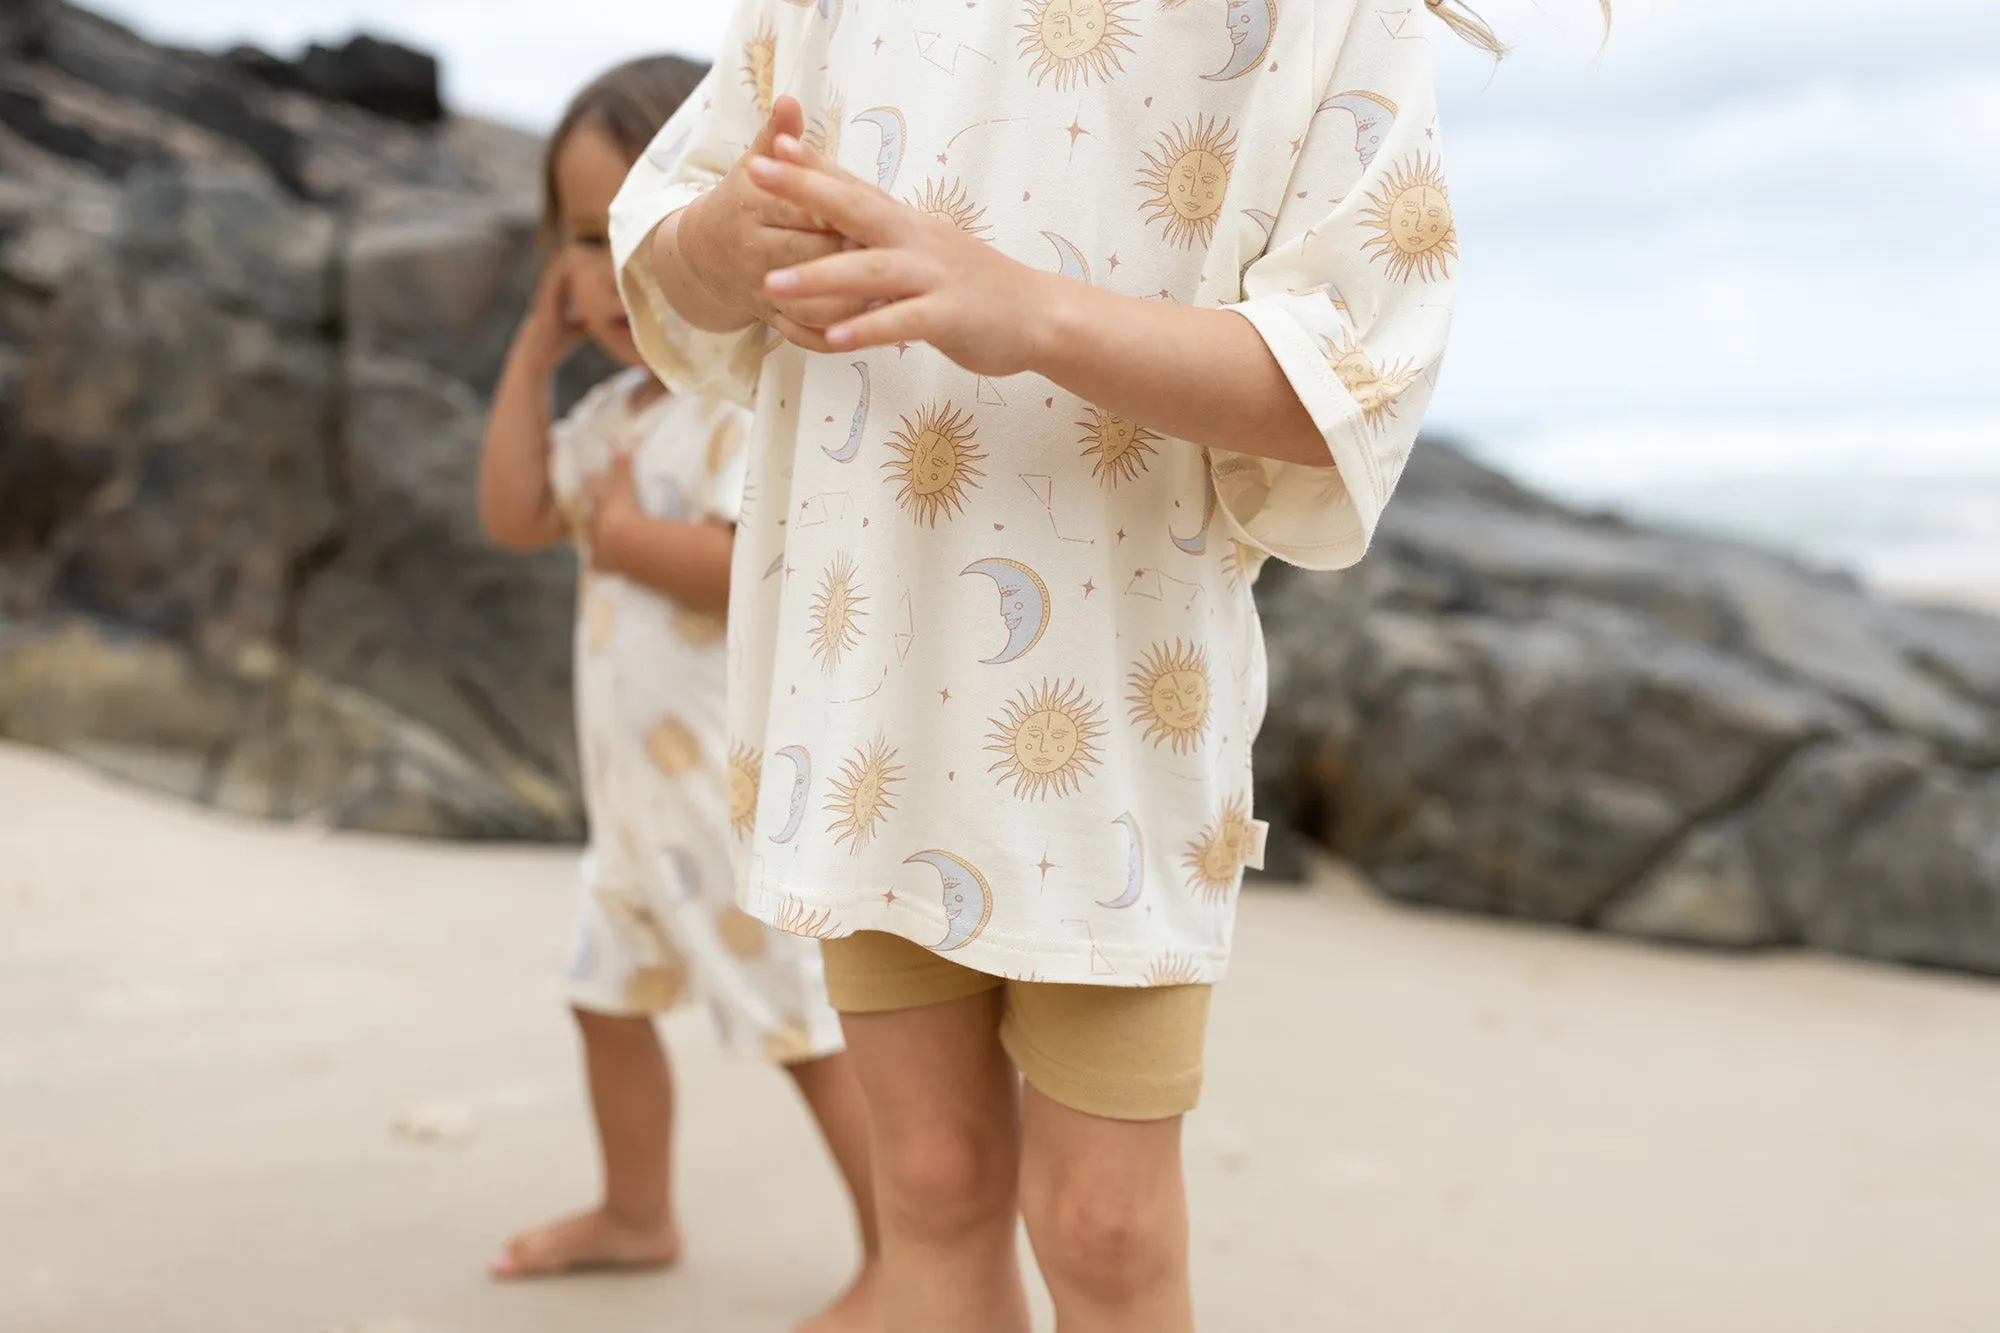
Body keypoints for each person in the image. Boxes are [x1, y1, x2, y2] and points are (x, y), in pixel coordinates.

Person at [609, 2, 1594, 1328]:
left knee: (1107, 1227)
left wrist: (1032, 312)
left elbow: (1348, 374)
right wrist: (723, 243)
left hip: (1115, 707)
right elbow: (675, 255)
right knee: (936, 1180)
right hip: (860, 675)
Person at [476, 54, 879, 1332]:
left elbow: (745, 572)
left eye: (613, 235)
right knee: (603, 1002)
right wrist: (532, 366)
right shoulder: (606, 415)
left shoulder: (734, 406)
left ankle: (898, 1255)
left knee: (801, 1027)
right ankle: (637, 1209)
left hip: (722, 798)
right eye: (571, 240)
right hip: (631, 812)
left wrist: (629, 540)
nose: (593, 275)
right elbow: (512, 514)